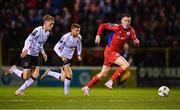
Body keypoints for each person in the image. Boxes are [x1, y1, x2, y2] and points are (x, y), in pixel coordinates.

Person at [82, 13, 140, 96]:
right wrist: (98, 35)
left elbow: (135, 41)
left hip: (113, 52)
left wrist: (137, 42)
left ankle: (87, 87)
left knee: (103, 74)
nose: (127, 23)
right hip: (110, 51)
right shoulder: (116, 27)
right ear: (121, 21)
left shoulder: (131, 31)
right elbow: (102, 25)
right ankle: (110, 82)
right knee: (126, 64)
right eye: (125, 21)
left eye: (129, 21)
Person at [4, 15, 55, 96]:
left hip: (36, 55)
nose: (52, 26)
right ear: (45, 23)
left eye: (53, 24)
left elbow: (40, 44)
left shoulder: (47, 33)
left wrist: (43, 53)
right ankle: (14, 69)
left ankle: (19, 91)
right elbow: (28, 39)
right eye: (50, 24)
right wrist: (26, 49)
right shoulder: (38, 30)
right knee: (25, 77)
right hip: (28, 54)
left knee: (36, 74)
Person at [40, 23, 82, 96]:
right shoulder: (66, 37)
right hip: (61, 57)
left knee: (63, 78)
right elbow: (55, 47)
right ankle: (66, 94)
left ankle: (49, 73)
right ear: (72, 30)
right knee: (69, 74)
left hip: (68, 58)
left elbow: (79, 46)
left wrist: (78, 54)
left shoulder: (79, 37)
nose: (78, 32)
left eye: (79, 31)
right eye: (76, 30)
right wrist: (62, 56)